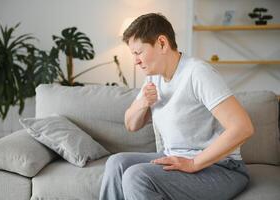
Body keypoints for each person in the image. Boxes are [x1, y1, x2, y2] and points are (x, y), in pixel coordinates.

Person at [99, 13, 254, 200]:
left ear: (162, 43)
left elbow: (243, 127)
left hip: (221, 168)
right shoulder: (153, 77)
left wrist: (194, 163)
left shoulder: (197, 73)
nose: (135, 61)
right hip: (175, 158)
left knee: (137, 176)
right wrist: (143, 102)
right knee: (117, 163)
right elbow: (131, 125)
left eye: (138, 53)